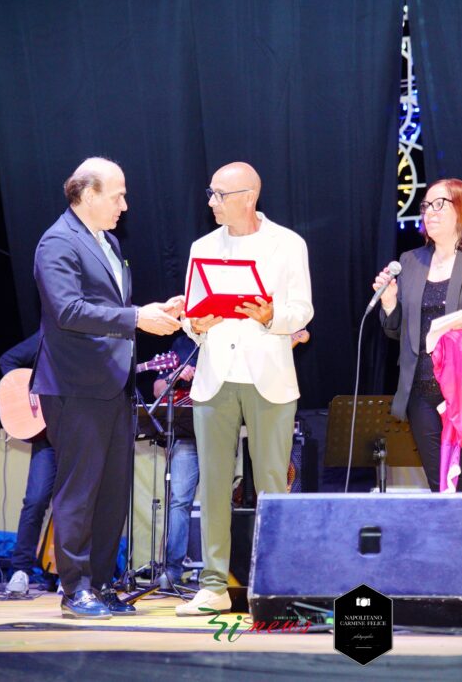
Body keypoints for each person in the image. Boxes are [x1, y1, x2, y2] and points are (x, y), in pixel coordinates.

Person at [32, 157, 183, 619]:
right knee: (79, 491)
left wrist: (150, 309)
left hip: (113, 385)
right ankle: (73, 588)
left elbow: (108, 306)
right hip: (76, 386)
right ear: (87, 193)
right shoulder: (57, 241)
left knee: (112, 492)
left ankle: (99, 585)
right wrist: (138, 318)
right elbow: (68, 311)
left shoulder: (108, 241)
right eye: (117, 194)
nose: (124, 204)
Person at [176, 162, 313, 616]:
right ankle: (214, 584)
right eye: (211, 194)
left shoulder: (288, 244)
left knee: (272, 483)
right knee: (213, 483)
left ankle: (276, 583)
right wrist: (195, 323)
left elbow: (302, 310)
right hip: (216, 376)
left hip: (269, 375)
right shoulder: (202, 247)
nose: (211, 202)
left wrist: (270, 315)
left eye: (219, 194)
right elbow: (192, 317)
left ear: (247, 197)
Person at [374, 178, 462, 493]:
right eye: (426, 205)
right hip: (421, 393)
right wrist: (388, 304)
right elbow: (400, 331)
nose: (429, 211)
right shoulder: (410, 262)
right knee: (439, 486)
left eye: (439, 204)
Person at [0, 330, 56, 594]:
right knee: (35, 500)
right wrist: (29, 386)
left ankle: (71, 575)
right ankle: (20, 570)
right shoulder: (47, 336)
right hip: (48, 436)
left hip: (77, 433)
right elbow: (7, 360)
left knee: (74, 504)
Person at [152, 333, 198, 587]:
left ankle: (220, 573)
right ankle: (172, 571)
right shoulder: (183, 344)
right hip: (187, 433)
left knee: (219, 503)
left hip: (220, 428)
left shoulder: (230, 334)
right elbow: (158, 388)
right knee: (179, 500)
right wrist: (176, 374)